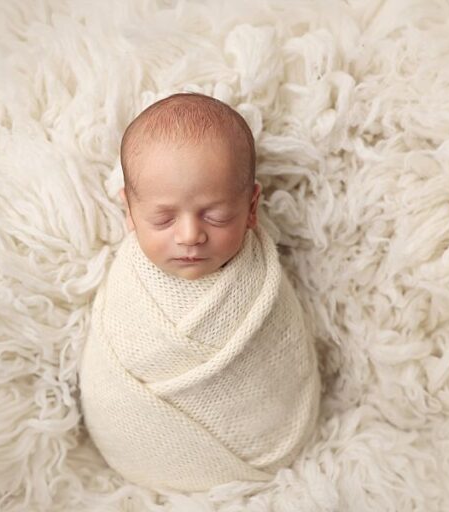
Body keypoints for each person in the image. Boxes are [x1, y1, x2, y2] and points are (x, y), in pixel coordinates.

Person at [79, 93, 320, 492]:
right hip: (137, 457)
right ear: (130, 211)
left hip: (263, 453)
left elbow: (282, 363)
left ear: (252, 207)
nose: (190, 235)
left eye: (216, 215)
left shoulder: (261, 280)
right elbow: (108, 377)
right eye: (163, 218)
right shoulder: (129, 285)